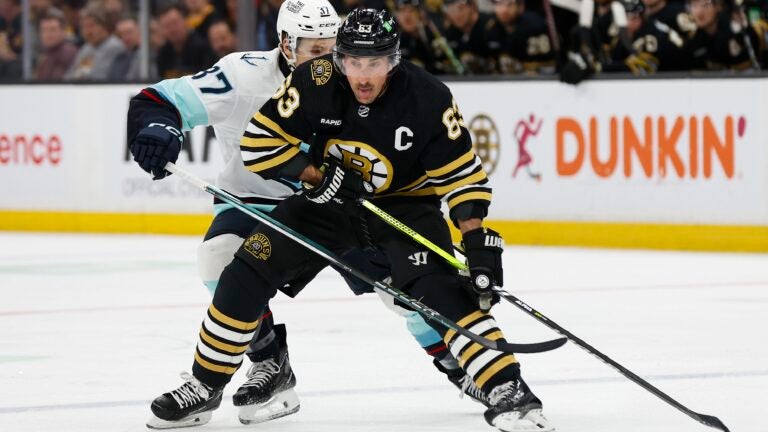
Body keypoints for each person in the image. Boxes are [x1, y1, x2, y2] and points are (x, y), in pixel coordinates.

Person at [146, 8, 553, 432]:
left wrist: (475, 241)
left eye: (374, 63)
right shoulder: (314, 79)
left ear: (393, 59)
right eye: (354, 62)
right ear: (339, 58)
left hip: (404, 207)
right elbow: (259, 142)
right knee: (244, 270)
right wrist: (316, 177)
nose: (363, 76)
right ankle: (205, 384)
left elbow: (463, 179)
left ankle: (508, 388)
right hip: (325, 205)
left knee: (440, 291)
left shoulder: (428, 98)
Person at [484, 0, 555, 74]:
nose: (504, 9)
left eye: (510, 4)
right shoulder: (490, 27)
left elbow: (547, 67)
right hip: (503, 79)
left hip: (534, 78)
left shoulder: (536, 26)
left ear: (520, 6)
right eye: (499, 3)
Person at [65, 3, 125, 80]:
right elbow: (72, 75)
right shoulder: (87, 48)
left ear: (104, 26)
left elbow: (99, 76)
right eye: (84, 27)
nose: (88, 32)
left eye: (91, 26)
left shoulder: (114, 47)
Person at [155, 3, 216, 79]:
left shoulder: (203, 49)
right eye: (167, 26)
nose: (172, 29)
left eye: (175, 23)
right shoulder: (162, 54)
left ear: (185, 21)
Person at [34, 9, 79, 80]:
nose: (48, 34)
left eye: (52, 30)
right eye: (44, 30)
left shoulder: (67, 53)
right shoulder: (46, 53)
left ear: (63, 31)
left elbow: (57, 83)